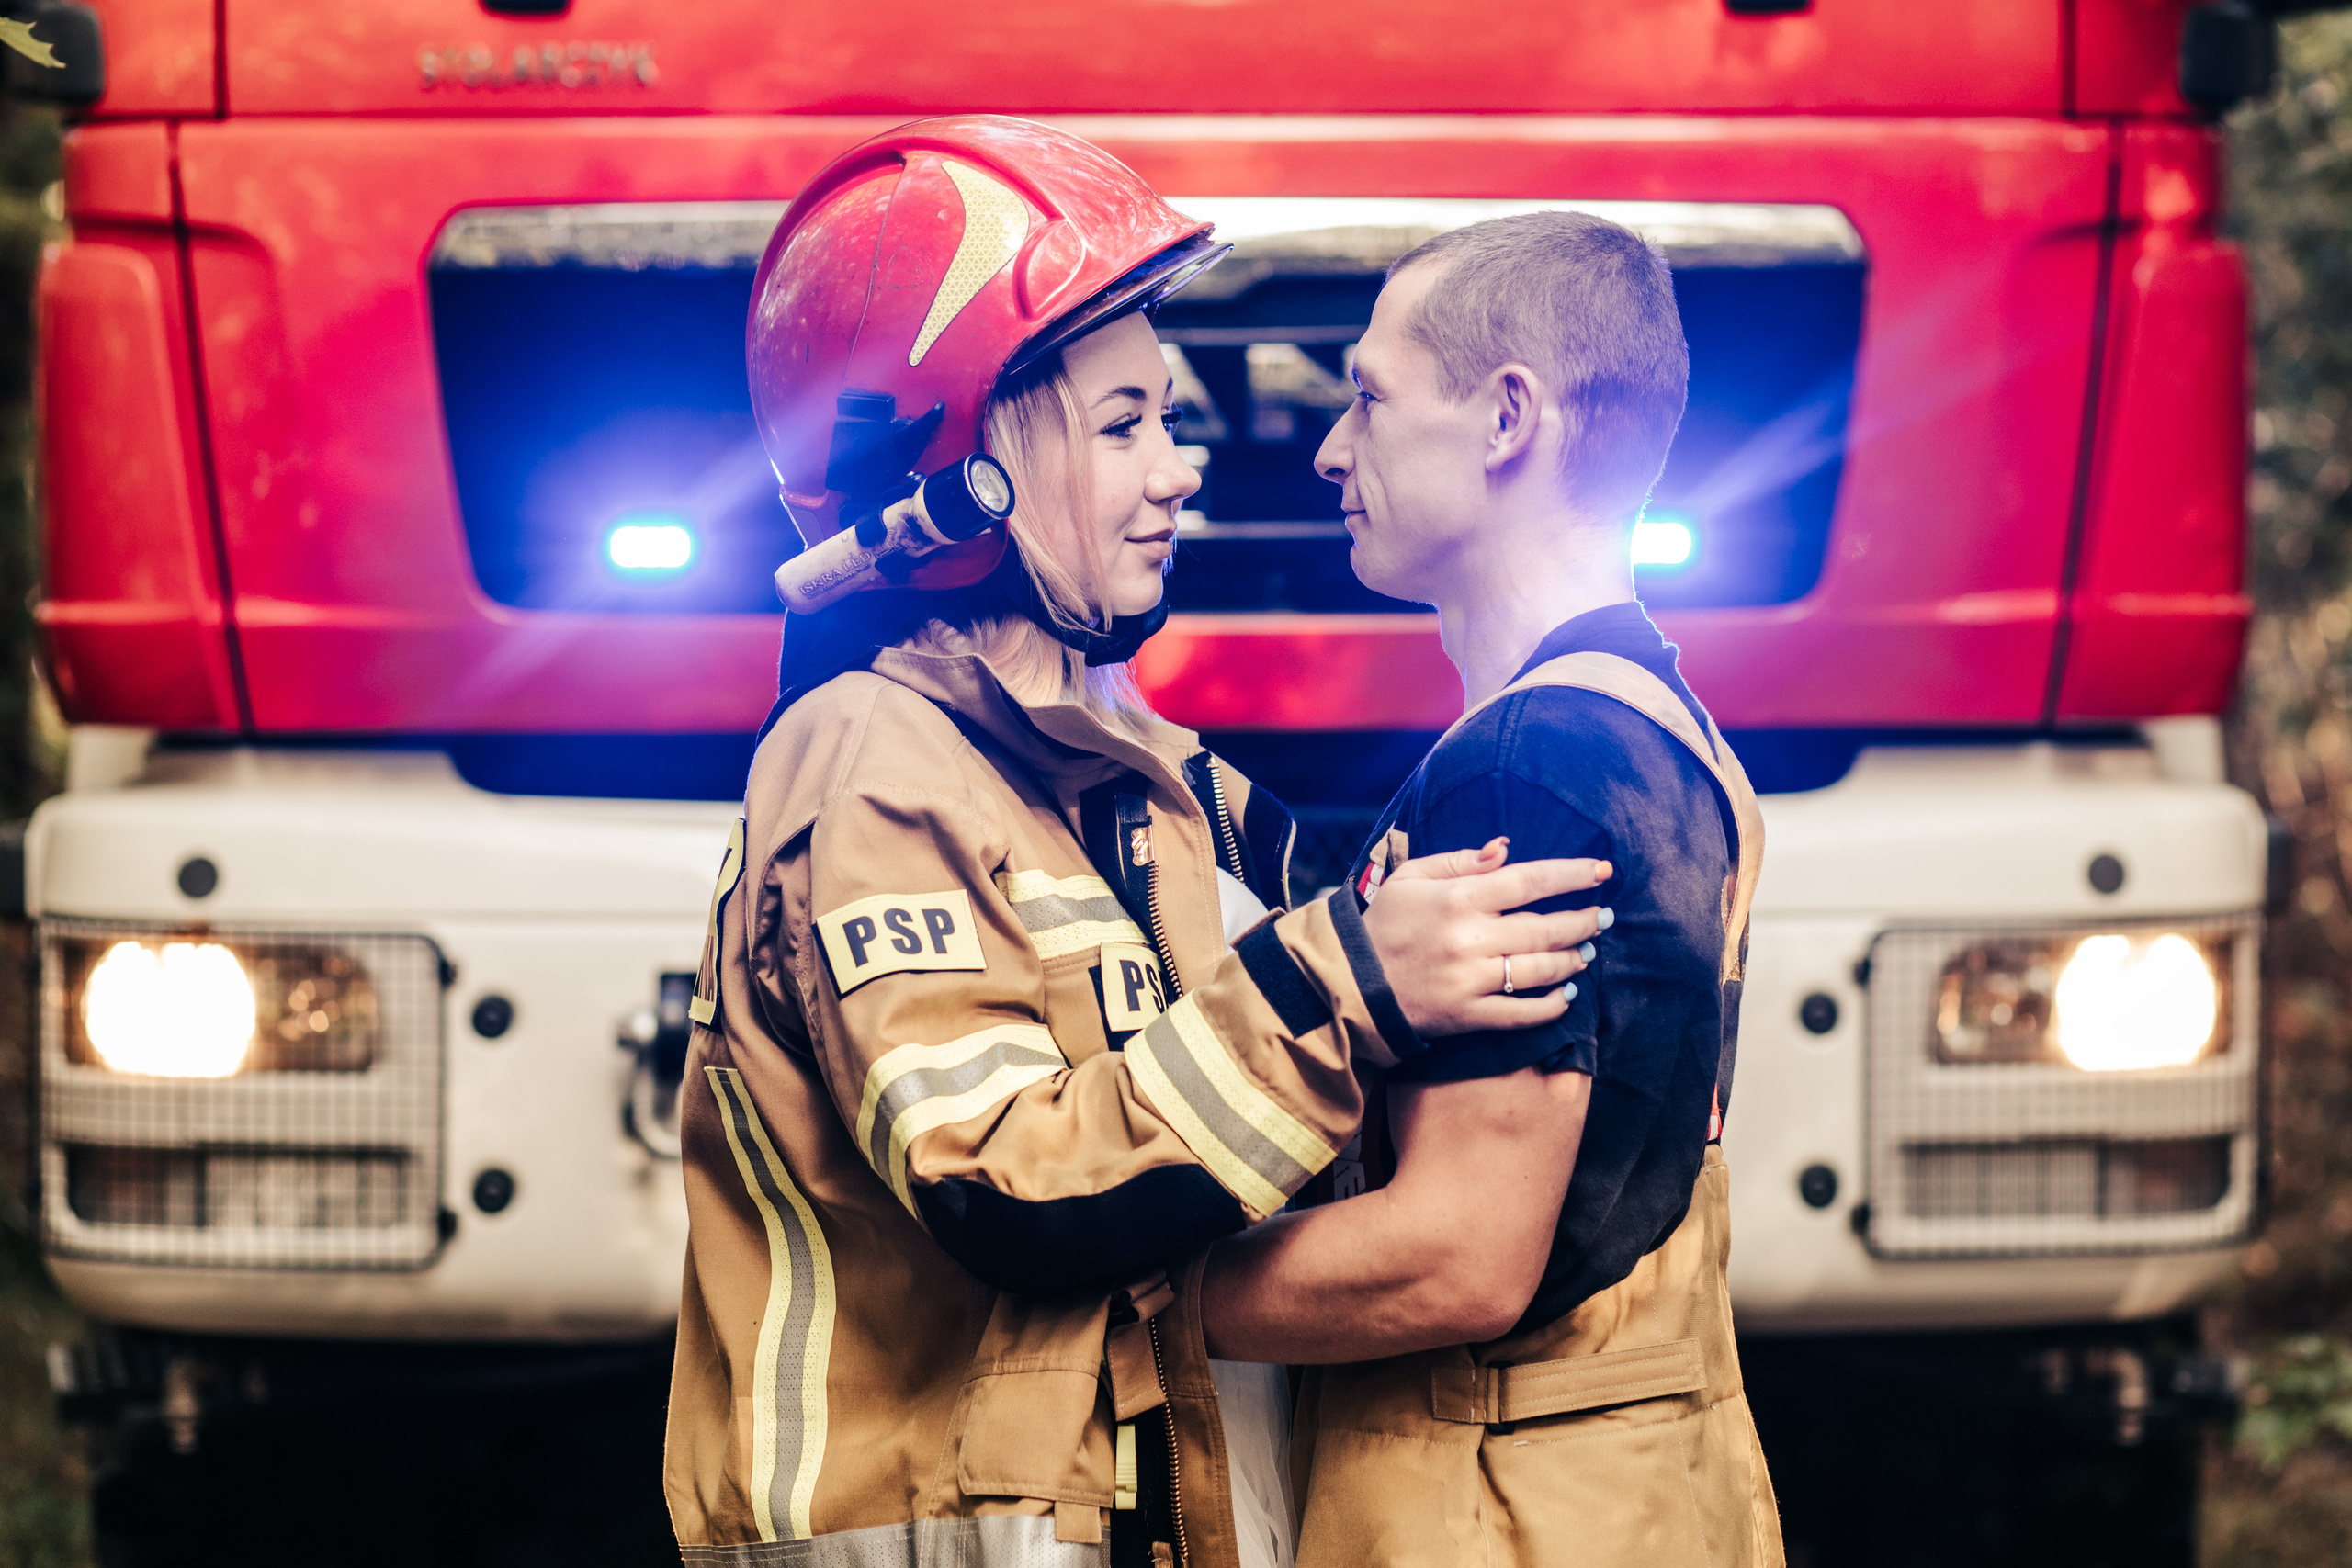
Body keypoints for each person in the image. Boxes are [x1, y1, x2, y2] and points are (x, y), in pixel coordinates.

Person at [662, 118, 1610, 1568]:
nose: (1181, 474)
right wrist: (1342, 981)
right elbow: (1001, 1184)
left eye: (1166, 422)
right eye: (1123, 430)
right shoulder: (866, 763)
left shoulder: (1144, 772)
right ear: (958, 472)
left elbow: (1328, 1002)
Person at [1198, 211, 1784, 1565]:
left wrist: (1127, 1296)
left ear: (1507, 418)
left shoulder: (1527, 765)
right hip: (1642, 1479)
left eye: (1366, 396)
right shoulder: (1658, 721)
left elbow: (1458, 1253)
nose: (1331, 449)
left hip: (1496, 1507)